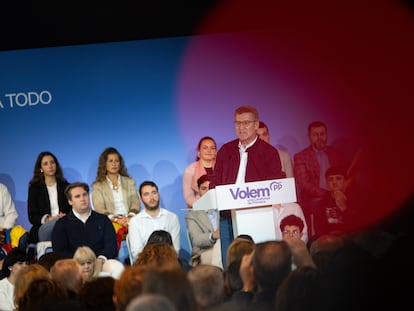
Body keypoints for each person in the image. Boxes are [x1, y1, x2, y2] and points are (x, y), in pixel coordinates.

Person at [210, 105, 284, 268]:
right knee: (231, 262)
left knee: (258, 262)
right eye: (237, 123)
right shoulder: (226, 150)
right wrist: (215, 195)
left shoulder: (269, 153)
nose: (241, 127)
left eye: (246, 123)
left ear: (256, 125)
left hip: (257, 214)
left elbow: (274, 185)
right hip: (228, 215)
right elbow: (215, 180)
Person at [293, 121, 347, 240]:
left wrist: (337, 193)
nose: (319, 138)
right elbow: (304, 182)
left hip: (337, 195)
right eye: (315, 135)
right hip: (315, 199)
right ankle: (320, 239)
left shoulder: (336, 154)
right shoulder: (301, 156)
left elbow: (343, 177)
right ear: (309, 137)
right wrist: (328, 194)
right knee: (321, 206)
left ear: (327, 135)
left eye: (322, 134)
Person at [51, 182, 118, 264]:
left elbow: (111, 246)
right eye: (77, 196)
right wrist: (79, 262)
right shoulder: (62, 224)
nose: (82, 199)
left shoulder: (103, 220)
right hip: (74, 264)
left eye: (85, 195)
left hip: (101, 262)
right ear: (70, 201)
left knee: (115, 267)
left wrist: (101, 259)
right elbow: (60, 251)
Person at [92, 147, 140, 250]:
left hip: (130, 219)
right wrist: (116, 219)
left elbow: (135, 203)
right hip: (110, 222)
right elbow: (99, 208)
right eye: (110, 161)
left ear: (120, 163)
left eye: (116, 161)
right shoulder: (98, 185)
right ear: (104, 164)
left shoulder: (129, 181)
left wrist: (130, 217)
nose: (114, 164)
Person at [127, 181, 180, 263]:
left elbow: (175, 249)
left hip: (169, 263)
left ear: (158, 195)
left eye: (154, 193)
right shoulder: (135, 221)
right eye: (146, 194)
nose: (151, 197)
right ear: (141, 199)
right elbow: (136, 253)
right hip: (146, 265)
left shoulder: (172, 218)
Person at [27, 151, 71, 243]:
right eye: (46, 164)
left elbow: (72, 209)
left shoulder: (66, 186)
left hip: (65, 223)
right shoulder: (35, 188)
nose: (50, 166)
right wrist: (48, 219)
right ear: (41, 168)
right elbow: (32, 216)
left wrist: (64, 217)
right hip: (44, 226)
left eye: (52, 162)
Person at [185, 174, 221, 268]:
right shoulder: (192, 215)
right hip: (204, 253)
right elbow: (197, 240)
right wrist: (213, 236)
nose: (207, 192)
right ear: (199, 191)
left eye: (210, 188)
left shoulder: (225, 209)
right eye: (204, 188)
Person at [313, 166, 355, 239]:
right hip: (329, 239)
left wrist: (344, 208)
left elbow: (357, 225)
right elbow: (319, 229)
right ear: (327, 183)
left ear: (345, 181)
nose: (334, 182)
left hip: (350, 238)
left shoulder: (354, 200)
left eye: (338, 178)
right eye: (330, 179)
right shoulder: (321, 204)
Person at [182, 136, 217, 208]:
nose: (209, 151)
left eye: (212, 148)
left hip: (221, 209)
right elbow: (188, 196)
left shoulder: (222, 167)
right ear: (199, 152)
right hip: (198, 209)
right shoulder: (190, 169)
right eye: (205, 148)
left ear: (216, 152)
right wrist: (203, 205)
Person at [0, 182, 22, 261]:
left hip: (3, 232)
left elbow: (12, 214)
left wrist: (3, 231)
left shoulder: (2, 188)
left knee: (21, 236)